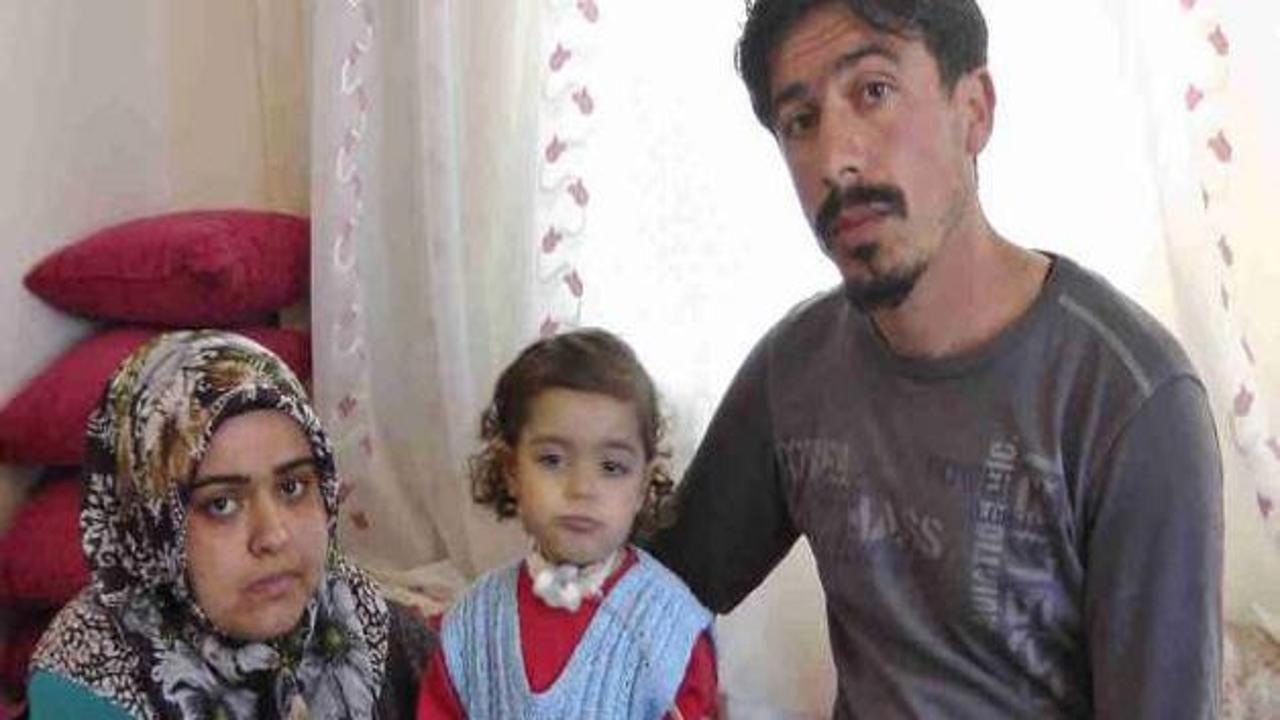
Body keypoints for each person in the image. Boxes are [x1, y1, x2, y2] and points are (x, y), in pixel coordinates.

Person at [646, 0, 1223, 717]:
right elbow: (649, 594)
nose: (835, 159)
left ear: (974, 111)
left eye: (873, 91)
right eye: (801, 121)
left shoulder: (1130, 399)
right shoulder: (795, 367)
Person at [27, 330, 433, 719]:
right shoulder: (87, 685)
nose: (273, 536)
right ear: (150, 526)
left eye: (292, 487)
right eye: (221, 504)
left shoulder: (362, 619)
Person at [417, 328, 717, 719]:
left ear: (642, 486)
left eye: (611, 467)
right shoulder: (472, 625)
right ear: (512, 470)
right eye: (552, 460)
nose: (581, 488)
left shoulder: (671, 632)